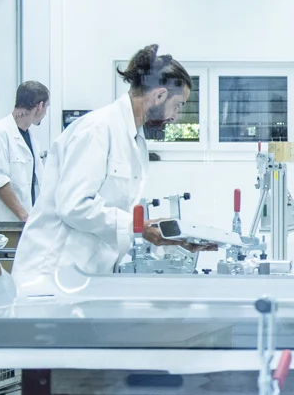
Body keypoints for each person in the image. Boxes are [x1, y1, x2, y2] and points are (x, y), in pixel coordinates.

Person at [12, 45, 209, 295]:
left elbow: (111, 214)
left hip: (84, 277)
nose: (175, 117)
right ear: (159, 96)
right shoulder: (97, 130)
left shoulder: (133, 139)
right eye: (178, 105)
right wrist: (139, 227)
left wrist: (160, 234)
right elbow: (73, 205)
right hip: (52, 277)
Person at [0, 81, 49, 223]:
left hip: (21, 225)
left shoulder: (31, 140)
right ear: (39, 106)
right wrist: (24, 217)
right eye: (46, 107)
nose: (45, 113)